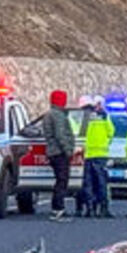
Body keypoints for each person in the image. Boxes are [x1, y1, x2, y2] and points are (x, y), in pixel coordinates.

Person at [43, 90, 75, 221]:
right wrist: (68, 150)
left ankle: (57, 208)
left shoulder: (50, 114)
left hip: (53, 151)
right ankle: (58, 209)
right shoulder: (58, 115)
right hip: (59, 152)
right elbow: (60, 134)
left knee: (60, 180)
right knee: (62, 181)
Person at [82, 96, 115, 217]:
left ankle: (90, 209)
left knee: (89, 183)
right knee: (102, 183)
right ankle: (103, 209)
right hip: (101, 155)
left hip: (89, 154)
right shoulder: (105, 117)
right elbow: (111, 132)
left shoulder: (86, 117)